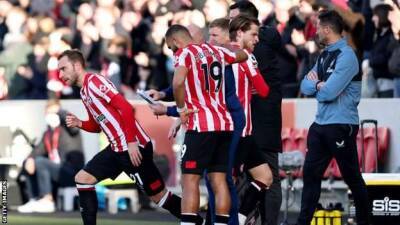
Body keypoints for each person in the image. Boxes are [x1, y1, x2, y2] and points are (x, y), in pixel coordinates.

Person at [57, 49, 182, 225]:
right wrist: (80, 123)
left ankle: (198, 220)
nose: (60, 74)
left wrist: (131, 142)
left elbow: (126, 108)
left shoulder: (95, 82)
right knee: (83, 179)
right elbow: (96, 125)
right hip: (117, 149)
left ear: (77, 66)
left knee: (159, 197)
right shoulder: (84, 92)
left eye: (63, 68)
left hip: (133, 147)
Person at [165, 24, 247, 225]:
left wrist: (182, 109)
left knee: (190, 179)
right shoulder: (215, 50)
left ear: (176, 41)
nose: (172, 52)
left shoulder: (184, 54)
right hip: (224, 124)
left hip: (201, 126)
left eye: (171, 47)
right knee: (219, 180)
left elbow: (177, 83)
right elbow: (243, 55)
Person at [297, 10, 370, 225]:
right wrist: (320, 85)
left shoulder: (347, 56)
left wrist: (317, 84)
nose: (316, 32)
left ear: (327, 29)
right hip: (320, 124)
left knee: (352, 178)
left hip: (341, 125)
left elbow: (328, 93)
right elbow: (304, 84)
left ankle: (365, 221)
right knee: (310, 176)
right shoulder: (324, 54)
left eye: (318, 28)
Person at [229, 2, 283, 225]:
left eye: (232, 20)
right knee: (256, 178)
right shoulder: (246, 51)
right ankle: (241, 219)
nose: (228, 25)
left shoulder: (249, 51)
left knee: (259, 178)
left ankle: (239, 220)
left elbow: (262, 90)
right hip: (251, 123)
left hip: (251, 123)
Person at [17, 98, 84, 213]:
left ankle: (47, 200)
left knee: (40, 162)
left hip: (71, 171)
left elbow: (74, 127)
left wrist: (60, 112)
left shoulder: (68, 128)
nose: (51, 116)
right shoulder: (47, 133)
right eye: (49, 113)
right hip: (56, 171)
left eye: (54, 113)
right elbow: (37, 151)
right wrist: (29, 159)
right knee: (30, 162)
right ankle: (35, 199)